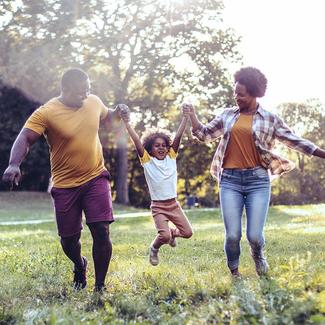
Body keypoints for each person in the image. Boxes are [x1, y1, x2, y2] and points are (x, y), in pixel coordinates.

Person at [182, 66, 325, 278]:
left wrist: (322, 153)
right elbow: (204, 134)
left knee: (255, 236)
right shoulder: (227, 115)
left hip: (258, 180)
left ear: (254, 93)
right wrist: (193, 116)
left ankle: (258, 254)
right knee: (232, 235)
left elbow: (294, 140)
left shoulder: (270, 118)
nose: (236, 97)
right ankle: (235, 272)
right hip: (229, 180)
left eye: (241, 93)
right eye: (235, 92)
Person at [2, 68, 129, 292]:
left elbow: (109, 117)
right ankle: (79, 265)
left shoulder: (92, 101)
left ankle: (100, 287)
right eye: (81, 92)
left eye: (88, 90)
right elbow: (26, 137)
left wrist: (119, 111)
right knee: (69, 240)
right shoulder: (47, 112)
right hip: (64, 185)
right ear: (65, 89)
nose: (85, 96)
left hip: (95, 176)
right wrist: (14, 164)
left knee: (101, 229)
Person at [120, 108, 193, 266]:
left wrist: (185, 118)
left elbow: (178, 136)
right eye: (156, 145)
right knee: (164, 237)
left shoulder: (171, 157)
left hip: (174, 205)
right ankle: (154, 248)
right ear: (150, 149)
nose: (161, 148)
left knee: (187, 233)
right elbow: (137, 142)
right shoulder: (147, 161)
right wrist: (127, 124)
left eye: (164, 145)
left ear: (168, 147)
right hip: (159, 207)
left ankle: (174, 233)